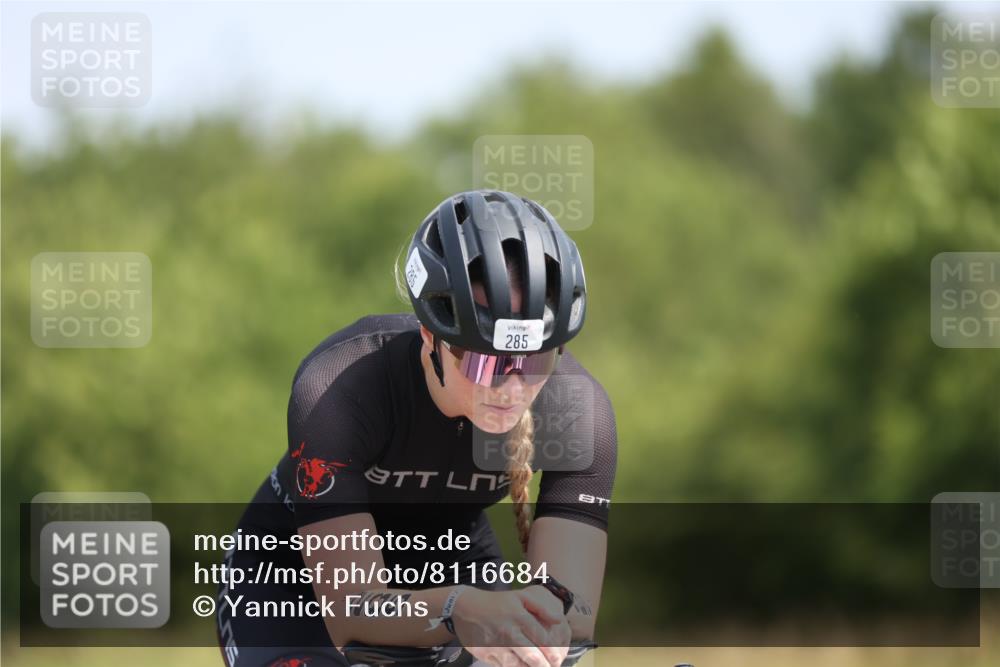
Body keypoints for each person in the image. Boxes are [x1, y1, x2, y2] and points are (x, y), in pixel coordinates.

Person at [215, 190, 618, 667]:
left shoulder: (578, 409)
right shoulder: (340, 387)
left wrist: (547, 621)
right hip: (294, 577)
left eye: (536, 358)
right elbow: (353, 613)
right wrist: (458, 608)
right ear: (430, 335)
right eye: (487, 362)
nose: (513, 387)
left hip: (455, 562)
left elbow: (574, 624)